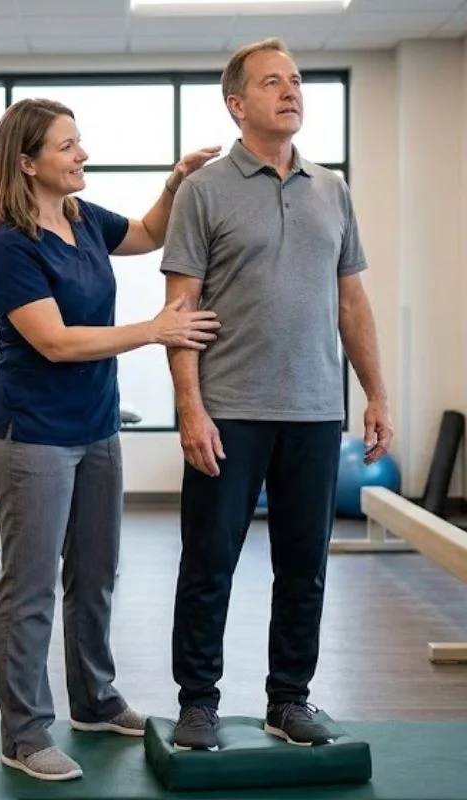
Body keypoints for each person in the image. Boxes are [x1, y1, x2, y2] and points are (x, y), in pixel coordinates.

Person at [160, 38, 393, 751]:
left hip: (316, 411)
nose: (291, 91)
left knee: (305, 568)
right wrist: (190, 409)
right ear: (237, 104)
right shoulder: (203, 191)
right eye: (272, 82)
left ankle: (288, 699)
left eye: (295, 81)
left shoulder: (333, 188)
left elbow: (352, 302)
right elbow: (179, 312)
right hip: (230, 410)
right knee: (209, 565)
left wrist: (376, 394)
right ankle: (197, 702)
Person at [0, 97, 222, 781]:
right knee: (29, 589)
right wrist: (154, 329)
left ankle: (93, 699)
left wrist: (175, 182)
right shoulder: (8, 247)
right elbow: (54, 342)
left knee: (95, 575)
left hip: (96, 427)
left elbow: (147, 233)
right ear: (27, 163)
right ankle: (24, 735)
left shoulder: (83, 220)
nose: (81, 155)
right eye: (66, 146)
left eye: (79, 143)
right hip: (34, 436)